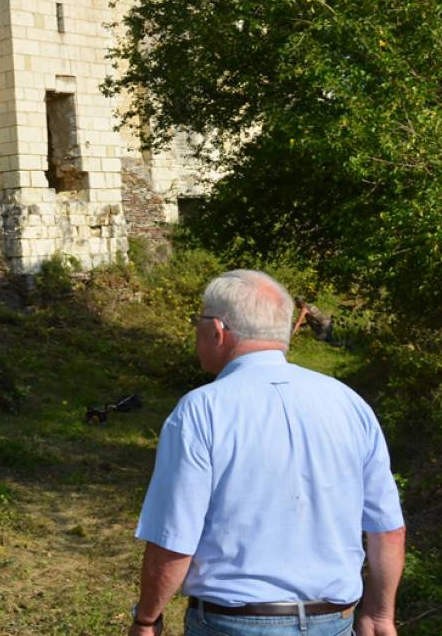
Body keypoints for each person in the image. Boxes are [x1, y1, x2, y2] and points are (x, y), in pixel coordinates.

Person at [129, 269, 405, 636]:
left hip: (234, 624)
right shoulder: (348, 403)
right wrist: (380, 613)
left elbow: (174, 539)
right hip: (333, 621)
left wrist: (147, 619)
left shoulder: (201, 410)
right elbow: (387, 529)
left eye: (199, 320)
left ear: (218, 330)